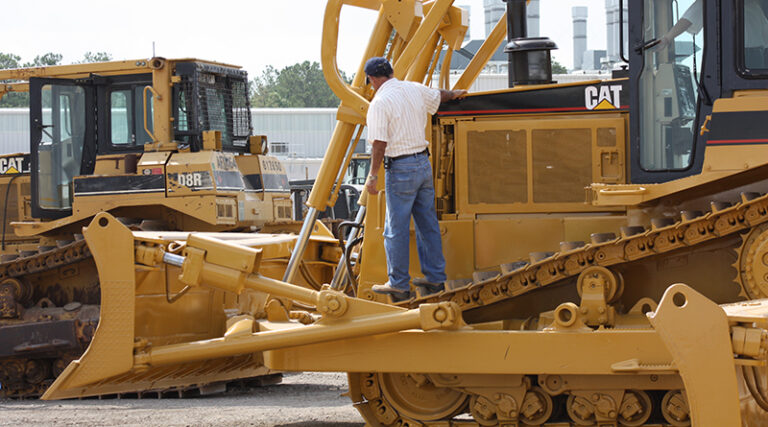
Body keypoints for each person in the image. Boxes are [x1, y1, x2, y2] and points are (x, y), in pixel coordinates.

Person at [363, 57, 466, 301]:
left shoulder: (380, 102)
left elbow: (379, 143)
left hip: (400, 168)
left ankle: (398, 283)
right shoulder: (414, 88)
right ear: (391, 72)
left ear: (373, 79)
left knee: (395, 228)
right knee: (427, 223)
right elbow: (439, 95)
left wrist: (373, 176)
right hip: (423, 164)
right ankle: (435, 277)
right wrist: (456, 93)